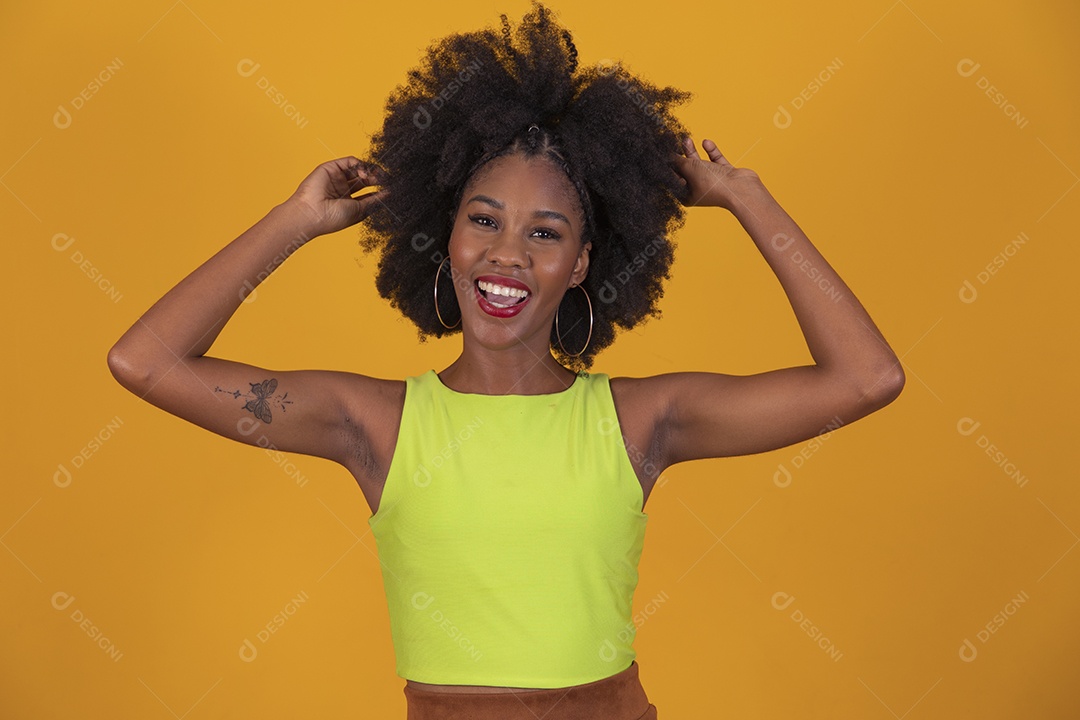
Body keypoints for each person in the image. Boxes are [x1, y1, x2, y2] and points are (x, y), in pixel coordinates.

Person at [107, 3, 904, 718]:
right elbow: (145, 361)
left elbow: (866, 378)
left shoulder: (638, 423)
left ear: (585, 262)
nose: (506, 254)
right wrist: (292, 221)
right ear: (444, 232)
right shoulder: (375, 425)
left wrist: (746, 197)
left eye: (545, 232)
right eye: (483, 220)